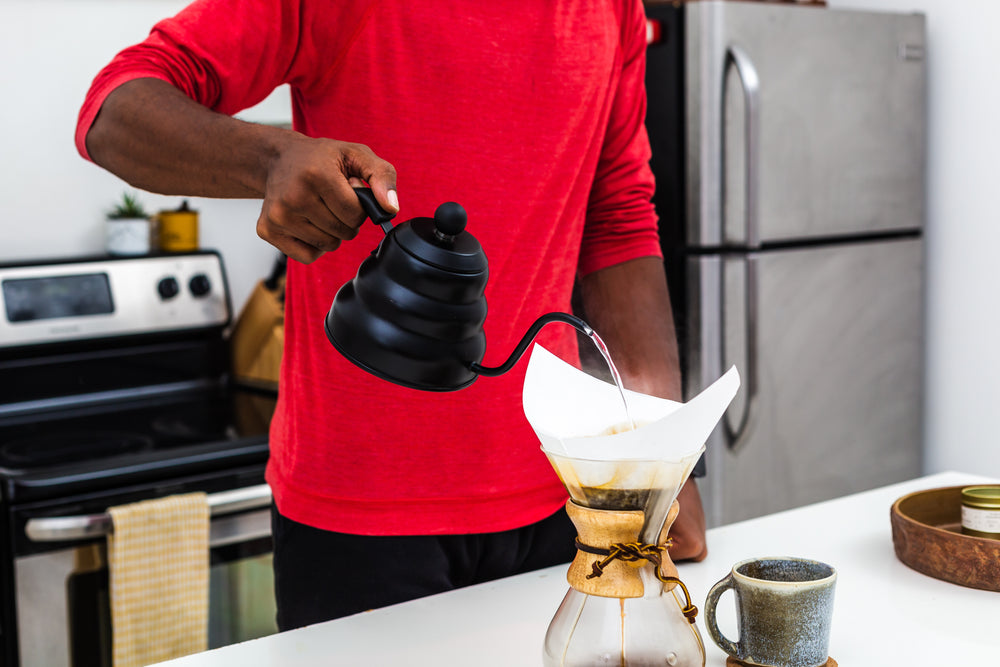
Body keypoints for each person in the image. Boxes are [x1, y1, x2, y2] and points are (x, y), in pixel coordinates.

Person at [77, 0, 707, 630]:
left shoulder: (609, 9)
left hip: (561, 501)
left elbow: (618, 219)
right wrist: (270, 161)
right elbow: (114, 109)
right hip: (358, 519)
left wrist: (660, 462)